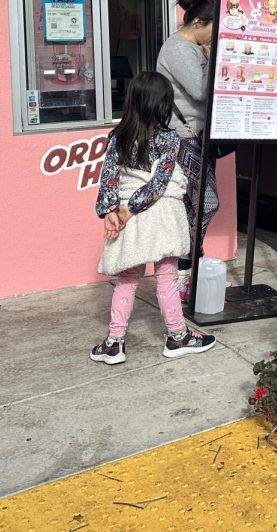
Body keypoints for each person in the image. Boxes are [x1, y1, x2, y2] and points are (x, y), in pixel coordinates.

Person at [91, 71, 216, 364]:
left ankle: (114, 343)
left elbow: (107, 177)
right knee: (166, 278)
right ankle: (177, 336)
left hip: (129, 219)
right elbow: (160, 183)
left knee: (127, 278)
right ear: (163, 104)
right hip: (160, 216)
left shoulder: (118, 137)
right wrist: (126, 210)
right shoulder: (170, 138)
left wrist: (110, 212)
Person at [156, 0, 219, 296]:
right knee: (200, 203)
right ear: (198, 23)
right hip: (183, 137)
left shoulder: (192, 48)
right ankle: (183, 269)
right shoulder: (178, 49)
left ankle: (186, 270)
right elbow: (199, 90)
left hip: (196, 136)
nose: (214, 36)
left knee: (195, 205)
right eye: (213, 29)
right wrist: (214, 57)